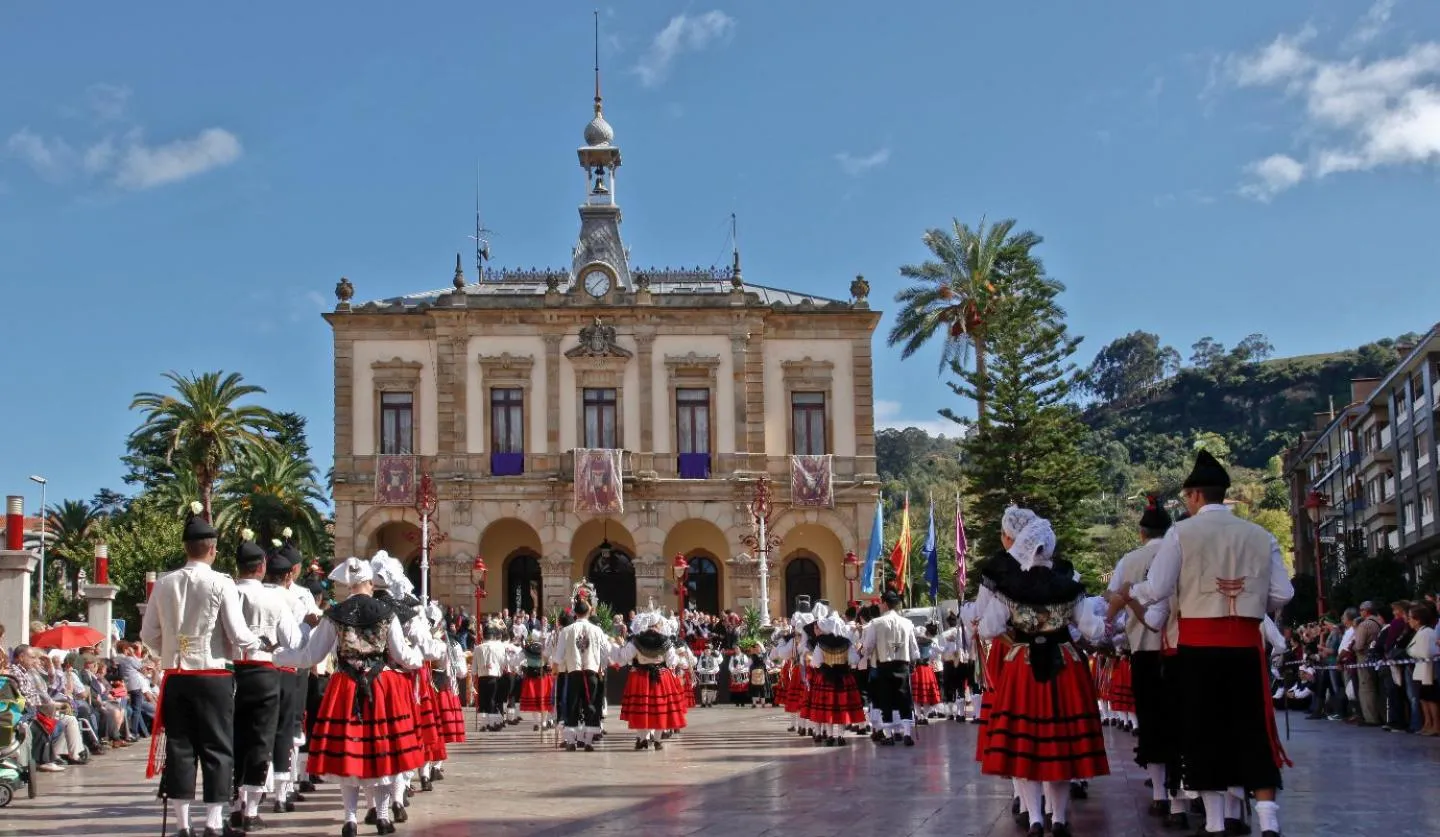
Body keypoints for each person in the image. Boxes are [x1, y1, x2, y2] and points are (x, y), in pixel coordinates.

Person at [1122, 451, 1294, 837]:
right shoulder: (1260, 535)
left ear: (1195, 495)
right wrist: (1251, 604)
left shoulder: (1181, 533)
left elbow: (1159, 589)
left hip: (1198, 647)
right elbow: (1283, 592)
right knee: (1252, 727)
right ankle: (1267, 819)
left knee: (1204, 730)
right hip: (1246, 645)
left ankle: (1215, 823)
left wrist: (1131, 591)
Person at [976, 512, 1108, 837]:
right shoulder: (1070, 586)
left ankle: (1035, 818)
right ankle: (1059, 818)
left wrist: (1015, 623)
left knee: (1025, 745)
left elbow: (989, 627)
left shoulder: (1009, 587)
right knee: (1059, 746)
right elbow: (1094, 631)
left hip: (1022, 666)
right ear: (1049, 547)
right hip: (1064, 665)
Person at [139, 501, 263, 837]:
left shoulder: (164, 583)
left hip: (176, 676)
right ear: (212, 549)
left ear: (186, 548)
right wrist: (258, 641)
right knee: (217, 746)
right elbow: (238, 634)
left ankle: (183, 825)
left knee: (180, 747)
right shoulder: (222, 583)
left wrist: (168, 651)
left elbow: (147, 633)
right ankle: (212, 821)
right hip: (212, 675)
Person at [278, 557, 425, 837]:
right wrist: (420, 658)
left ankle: (350, 820)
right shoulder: (385, 612)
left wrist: (279, 657)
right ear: (370, 583)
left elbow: (312, 655)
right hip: (380, 685)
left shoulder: (335, 614)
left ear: (348, 585)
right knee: (380, 751)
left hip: (345, 686)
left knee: (350, 752)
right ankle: (382, 816)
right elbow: (403, 655)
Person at [1104, 495, 1176, 820]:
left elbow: (1116, 597)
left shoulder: (1130, 559)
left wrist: (1112, 605)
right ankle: (1189, 791)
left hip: (1145, 649)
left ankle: (1161, 792)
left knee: (1151, 721)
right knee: (1182, 720)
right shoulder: (1180, 552)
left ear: (1142, 532)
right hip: (1182, 646)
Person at [230, 531, 301, 832]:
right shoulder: (273, 598)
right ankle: (251, 809)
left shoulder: (228, 592)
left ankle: (232, 804)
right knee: (261, 740)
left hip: (228, 673)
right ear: (261, 567)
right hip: (263, 672)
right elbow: (294, 640)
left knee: (232, 740)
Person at [613, 610, 685, 750]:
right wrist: (678, 656)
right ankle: (657, 741)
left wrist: (618, 646)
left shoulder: (636, 640)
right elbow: (671, 662)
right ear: (657, 624)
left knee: (642, 708)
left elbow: (624, 657)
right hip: (661, 676)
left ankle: (642, 739)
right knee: (659, 709)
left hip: (641, 676)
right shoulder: (666, 640)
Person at [861, 589, 920, 746]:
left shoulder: (876, 623)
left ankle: (889, 736)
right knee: (904, 698)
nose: (880, 605)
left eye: (881, 602)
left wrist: (864, 655)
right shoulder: (907, 623)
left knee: (885, 699)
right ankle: (907, 733)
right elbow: (914, 648)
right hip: (903, 665)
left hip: (884, 665)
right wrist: (913, 662)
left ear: (885, 604)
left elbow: (868, 646)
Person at [553, 599, 612, 751]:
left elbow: (559, 654)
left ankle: (571, 741)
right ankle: (588, 742)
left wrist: (556, 668)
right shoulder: (597, 630)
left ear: (575, 612)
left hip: (574, 672)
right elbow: (605, 652)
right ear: (588, 611)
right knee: (590, 705)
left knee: (572, 705)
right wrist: (602, 667)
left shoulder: (566, 631)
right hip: (591, 671)